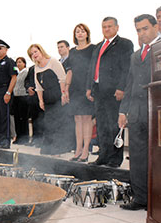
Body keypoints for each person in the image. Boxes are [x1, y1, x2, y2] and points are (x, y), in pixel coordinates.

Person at [118, 14, 159, 211]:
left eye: (145, 28)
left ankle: (159, 200)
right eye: (138, 30)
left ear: (155, 27)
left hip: (157, 111)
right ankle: (140, 197)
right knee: (137, 156)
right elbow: (130, 84)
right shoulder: (135, 55)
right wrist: (123, 110)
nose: (142, 33)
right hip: (136, 113)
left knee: (158, 157)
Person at [86, 17, 133, 167]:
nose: (106, 29)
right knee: (102, 125)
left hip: (114, 91)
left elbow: (126, 67)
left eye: (110, 26)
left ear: (117, 27)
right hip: (98, 90)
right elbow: (92, 68)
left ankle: (115, 159)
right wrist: (89, 87)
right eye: (104, 27)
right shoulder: (98, 46)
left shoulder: (124, 44)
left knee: (114, 124)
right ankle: (103, 155)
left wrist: (121, 87)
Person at [28, 44, 68, 155]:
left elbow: (62, 79)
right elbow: (38, 86)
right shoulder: (36, 67)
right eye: (31, 54)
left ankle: (58, 148)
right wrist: (41, 100)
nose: (34, 55)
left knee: (57, 123)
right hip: (47, 98)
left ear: (41, 51)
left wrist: (63, 94)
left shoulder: (53, 61)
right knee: (48, 123)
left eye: (35, 52)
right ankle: (48, 148)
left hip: (57, 96)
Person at [67, 24, 95, 162]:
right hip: (74, 88)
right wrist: (66, 88)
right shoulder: (72, 51)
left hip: (87, 87)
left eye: (82, 31)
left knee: (86, 119)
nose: (80, 33)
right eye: (77, 31)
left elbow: (94, 69)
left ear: (87, 34)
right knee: (77, 119)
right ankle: (78, 149)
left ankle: (86, 150)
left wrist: (90, 88)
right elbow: (70, 71)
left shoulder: (93, 49)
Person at [12, 57, 29, 144]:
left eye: (20, 62)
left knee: (23, 118)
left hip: (23, 97)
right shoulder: (18, 73)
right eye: (17, 62)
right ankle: (18, 136)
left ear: (24, 63)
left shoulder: (26, 72)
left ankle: (24, 138)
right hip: (16, 96)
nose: (18, 64)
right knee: (17, 118)